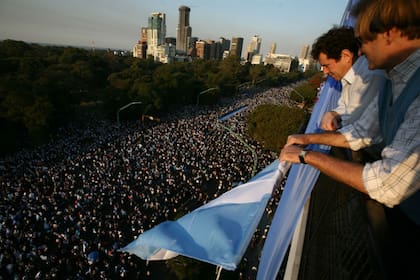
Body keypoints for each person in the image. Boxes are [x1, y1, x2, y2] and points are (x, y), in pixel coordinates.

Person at [280, 0, 419, 276]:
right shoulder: (394, 80)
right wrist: (306, 140)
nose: (361, 53)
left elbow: (388, 184)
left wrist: (309, 156)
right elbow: (363, 133)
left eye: (363, 41)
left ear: (389, 33)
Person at [310, 27, 386, 131]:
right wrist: (333, 113)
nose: (325, 71)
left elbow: (355, 127)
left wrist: (308, 139)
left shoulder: (368, 76)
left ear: (346, 56)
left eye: (327, 65)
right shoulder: (348, 77)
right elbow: (345, 107)